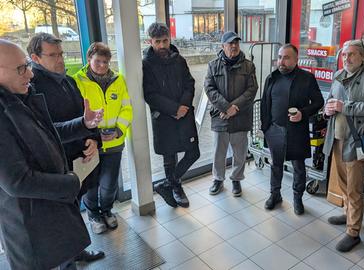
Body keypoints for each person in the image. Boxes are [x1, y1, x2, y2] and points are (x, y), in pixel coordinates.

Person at [0, 39, 103, 269]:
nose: (30, 74)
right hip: (34, 230)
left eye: (26, 65)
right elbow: (17, 181)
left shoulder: (20, 97)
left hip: (54, 213)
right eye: (21, 68)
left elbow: (47, 132)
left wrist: (83, 123)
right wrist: (71, 183)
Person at [27, 32, 105, 263]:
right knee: (60, 217)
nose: (60, 59)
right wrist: (84, 126)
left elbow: (84, 116)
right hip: (54, 164)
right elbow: (45, 131)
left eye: (61, 54)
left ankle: (76, 252)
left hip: (77, 158)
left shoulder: (68, 81)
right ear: (35, 57)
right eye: (53, 55)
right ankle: (67, 260)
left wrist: (93, 138)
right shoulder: (31, 88)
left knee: (73, 208)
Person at [323, 39, 364, 252]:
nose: (346, 58)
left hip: (357, 141)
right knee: (342, 182)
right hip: (338, 138)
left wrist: (344, 106)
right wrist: (328, 109)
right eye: (343, 55)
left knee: (354, 188)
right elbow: (331, 100)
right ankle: (349, 213)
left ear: (363, 56)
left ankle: (353, 232)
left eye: (351, 54)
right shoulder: (338, 76)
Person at [73, 42, 133, 234]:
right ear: (89, 58)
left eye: (106, 62)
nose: (102, 66)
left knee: (109, 183)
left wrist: (118, 130)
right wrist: (90, 136)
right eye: (97, 61)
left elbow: (127, 108)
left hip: (114, 143)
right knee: (91, 184)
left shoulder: (119, 80)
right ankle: (93, 215)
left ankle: (107, 210)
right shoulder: (77, 81)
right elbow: (75, 115)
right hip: (90, 144)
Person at [260, 44, 324, 215]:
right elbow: (265, 103)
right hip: (275, 130)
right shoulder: (272, 78)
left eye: (286, 58)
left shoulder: (307, 78)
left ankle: (297, 198)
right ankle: (275, 195)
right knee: (276, 166)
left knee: (298, 167)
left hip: (296, 131)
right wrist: (265, 127)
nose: (281, 61)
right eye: (280, 57)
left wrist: (303, 114)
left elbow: (319, 102)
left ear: (296, 60)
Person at [143, 23, 199, 208]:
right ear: (150, 41)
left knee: (193, 152)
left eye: (165, 40)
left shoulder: (179, 60)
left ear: (170, 39)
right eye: (157, 41)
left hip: (184, 114)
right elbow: (150, 94)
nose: (161, 45)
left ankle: (167, 185)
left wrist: (183, 106)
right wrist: (174, 109)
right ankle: (176, 188)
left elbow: (189, 83)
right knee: (169, 156)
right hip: (164, 117)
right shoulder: (146, 64)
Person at [204, 31, 258, 196]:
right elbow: (209, 88)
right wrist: (225, 107)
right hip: (220, 116)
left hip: (241, 116)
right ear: (222, 46)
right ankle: (218, 179)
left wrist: (233, 107)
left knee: (240, 152)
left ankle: (236, 179)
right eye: (229, 43)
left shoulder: (248, 66)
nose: (233, 46)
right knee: (218, 152)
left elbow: (252, 89)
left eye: (236, 43)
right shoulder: (213, 65)